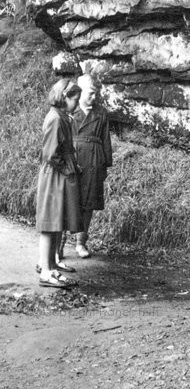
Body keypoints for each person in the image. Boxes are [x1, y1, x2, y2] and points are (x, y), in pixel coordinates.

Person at [35, 79, 82, 288]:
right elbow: (50, 154)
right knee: (49, 224)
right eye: (75, 100)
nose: (77, 105)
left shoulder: (62, 116)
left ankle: (52, 267)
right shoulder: (55, 118)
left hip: (59, 174)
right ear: (64, 98)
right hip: (54, 175)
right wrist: (67, 167)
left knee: (57, 224)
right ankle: (45, 271)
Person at [71, 73, 112, 258]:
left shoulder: (101, 113)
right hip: (73, 158)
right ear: (79, 92)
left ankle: (81, 243)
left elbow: (106, 141)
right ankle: (59, 243)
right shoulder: (70, 111)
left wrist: (104, 166)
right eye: (91, 93)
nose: (94, 98)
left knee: (87, 203)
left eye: (96, 94)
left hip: (94, 160)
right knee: (69, 200)